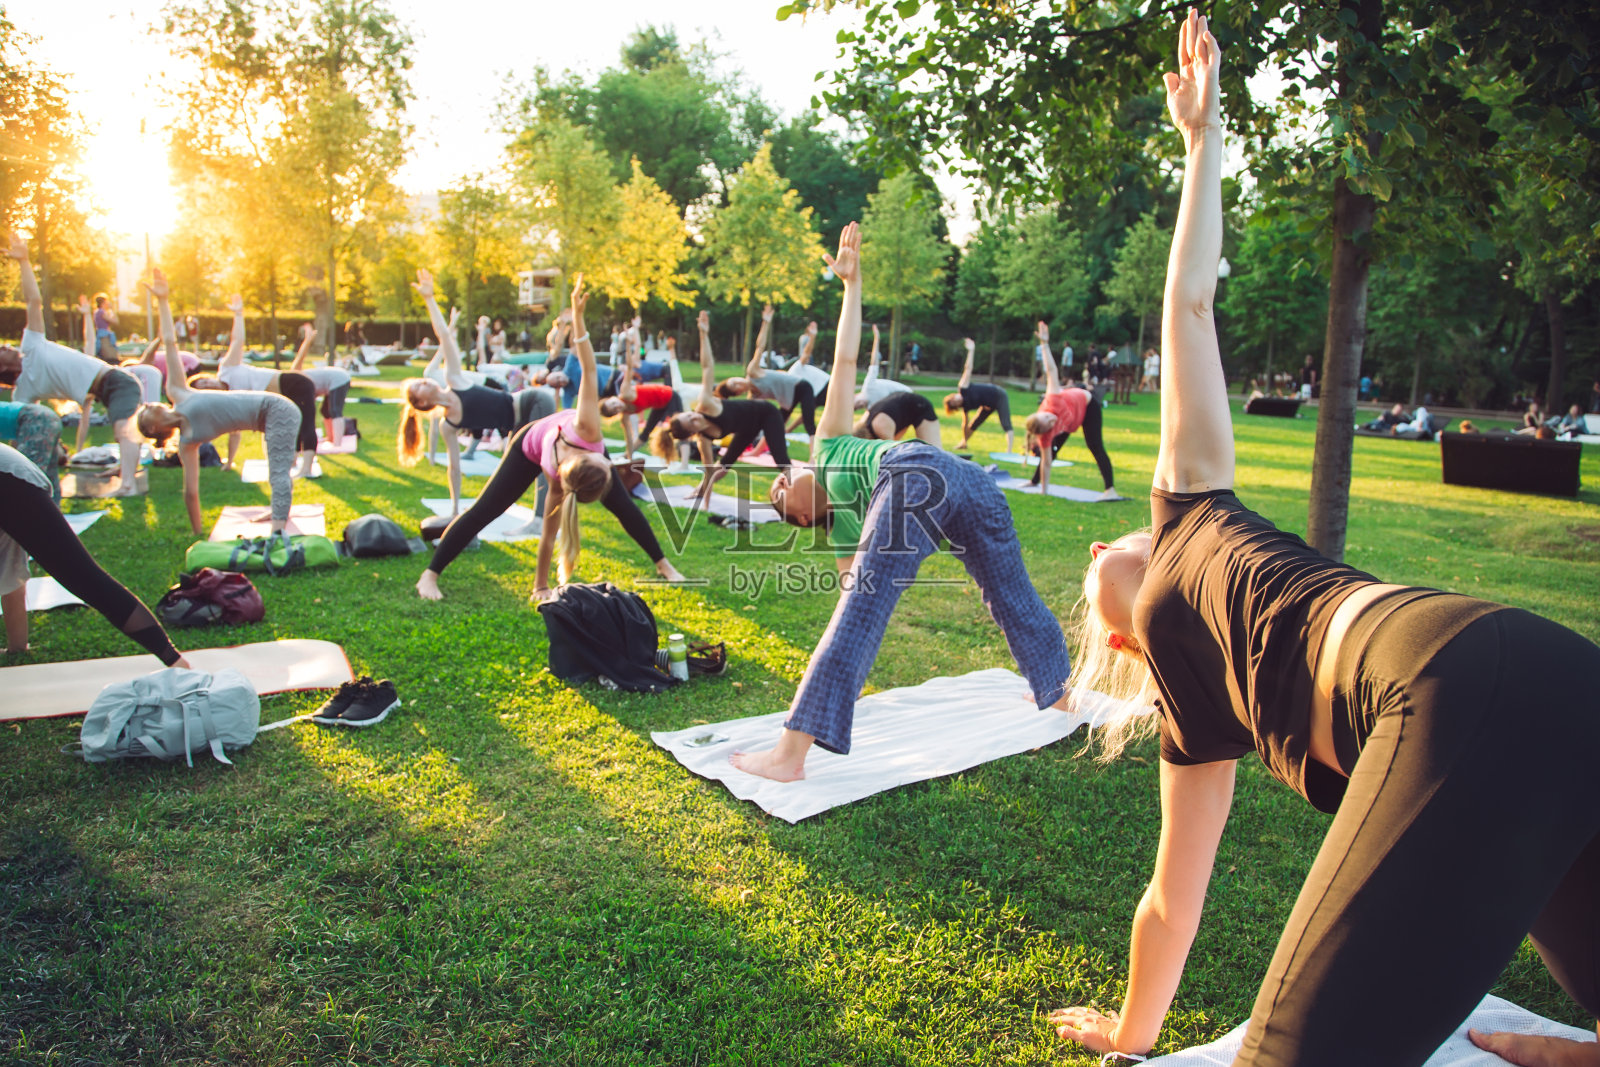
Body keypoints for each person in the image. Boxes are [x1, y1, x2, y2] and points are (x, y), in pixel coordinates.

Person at [1049, 17, 1600, 1066]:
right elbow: (1172, 897)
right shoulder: (1194, 709)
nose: (1094, 554)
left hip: (1448, 670)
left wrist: (1203, 141)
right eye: (1092, 579)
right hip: (1544, 677)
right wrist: (1130, 1034)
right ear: (1124, 640)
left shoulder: (1189, 509)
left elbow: (1190, 306)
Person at [738, 221, 1072, 782]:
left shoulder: (827, 445)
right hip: (925, 479)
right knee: (861, 613)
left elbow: (845, 362)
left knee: (1012, 595)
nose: (782, 477)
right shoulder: (847, 529)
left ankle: (1058, 693)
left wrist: (852, 286)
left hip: (961, 477)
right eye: (778, 492)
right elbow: (853, 609)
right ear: (803, 515)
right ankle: (789, 755)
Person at [415, 274, 685, 602]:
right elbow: (588, 369)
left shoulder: (574, 462)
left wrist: (541, 587)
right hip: (529, 445)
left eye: (606, 463)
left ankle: (663, 564)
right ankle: (429, 575)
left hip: (559, 448)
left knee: (624, 507)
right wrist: (540, 587)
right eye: (608, 462)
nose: (610, 461)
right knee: (486, 509)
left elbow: (587, 368)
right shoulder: (581, 441)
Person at [136, 273, 302, 539]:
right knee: (277, 467)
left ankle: (277, 532)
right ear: (152, 427)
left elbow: (170, 342)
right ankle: (277, 515)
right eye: (145, 410)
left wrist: (163, 301)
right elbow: (191, 492)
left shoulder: (177, 392)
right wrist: (197, 534)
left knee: (277, 470)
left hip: (276, 408)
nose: (148, 404)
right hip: (263, 419)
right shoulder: (187, 443)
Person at [1, 442, 189, 667]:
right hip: (14, 473)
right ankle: (17, 646)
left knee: (82, 576)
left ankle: (176, 662)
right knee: (11, 567)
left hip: (9, 480)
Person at [398, 270, 556, 517]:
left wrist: (429, 299)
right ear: (421, 402)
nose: (424, 381)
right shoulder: (448, 425)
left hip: (533, 402)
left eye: (420, 381)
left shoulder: (454, 379)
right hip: (516, 426)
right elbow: (454, 467)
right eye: (418, 386)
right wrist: (454, 509)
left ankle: (539, 519)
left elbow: (444, 336)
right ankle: (476, 518)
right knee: (508, 477)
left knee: (540, 459)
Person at [0, 235, 144, 495]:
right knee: (123, 431)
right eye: (1, 351)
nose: (7, 347)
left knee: (124, 431)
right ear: (2, 369)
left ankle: (128, 485)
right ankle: (126, 475)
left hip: (116, 380)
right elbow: (21, 430)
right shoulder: (22, 392)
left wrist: (24, 261)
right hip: (101, 391)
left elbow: (33, 302)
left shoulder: (31, 346)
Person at [652, 310, 797, 500]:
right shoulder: (703, 441)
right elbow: (711, 471)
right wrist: (703, 496)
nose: (694, 416)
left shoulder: (705, 404)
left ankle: (798, 491)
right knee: (724, 463)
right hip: (746, 429)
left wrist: (703, 333)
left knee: (781, 459)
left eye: (689, 415)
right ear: (692, 433)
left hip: (767, 414)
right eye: (691, 422)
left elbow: (707, 367)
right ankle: (698, 492)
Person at [192, 297, 319, 478]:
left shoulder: (227, 369)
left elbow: (237, 341)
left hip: (293, 383)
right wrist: (229, 462)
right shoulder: (229, 399)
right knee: (291, 426)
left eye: (205, 381)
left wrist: (238, 313)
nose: (209, 385)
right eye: (204, 388)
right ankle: (292, 463)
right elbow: (234, 432)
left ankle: (306, 469)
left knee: (306, 423)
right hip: (279, 397)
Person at [1023, 322, 1118, 499]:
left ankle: (1110, 490)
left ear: (1041, 412)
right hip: (1069, 420)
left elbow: (1051, 371)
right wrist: (1044, 492)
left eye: (1047, 417)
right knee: (1051, 451)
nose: (1051, 419)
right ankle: (1035, 482)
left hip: (1088, 406)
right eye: (1049, 423)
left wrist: (1044, 344)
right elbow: (1046, 462)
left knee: (1095, 446)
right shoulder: (1046, 434)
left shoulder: (1052, 399)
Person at [716, 304, 821, 455]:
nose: (738, 382)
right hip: (788, 399)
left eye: (734, 380)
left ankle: (813, 458)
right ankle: (757, 451)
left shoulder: (752, 372)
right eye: (735, 386)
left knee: (809, 423)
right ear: (738, 393)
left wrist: (765, 322)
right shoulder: (754, 397)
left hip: (802, 387)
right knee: (774, 423)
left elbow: (760, 347)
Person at [287, 323, 352, 450]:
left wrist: (308, 339)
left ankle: (337, 444)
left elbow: (300, 357)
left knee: (335, 411)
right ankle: (331, 438)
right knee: (325, 411)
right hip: (332, 380)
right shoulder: (300, 384)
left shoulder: (296, 376)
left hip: (339, 379)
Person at [945, 336, 1015, 453]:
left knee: (1006, 424)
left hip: (998, 395)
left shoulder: (963, 388)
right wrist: (964, 438)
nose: (956, 400)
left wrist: (971, 350)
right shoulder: (965, 406)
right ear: (957, 406)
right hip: (987, 405)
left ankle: (1009, 451)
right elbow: (965, 424)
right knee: (974, 424)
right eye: (955, 403)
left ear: (954, 395)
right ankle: (963, 443)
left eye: (954, 398)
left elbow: (968, 369)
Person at [0, 400, 62, 500]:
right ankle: (54, 506)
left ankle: (28, 506)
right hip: (48, 416)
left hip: (35, 419)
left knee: (29, 475)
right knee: (49, 474)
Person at [853, 324, 914, 410]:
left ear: (855, 396)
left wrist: (876, 339)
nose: (861, 404)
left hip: (907, 394)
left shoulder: (868, 386)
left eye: (858, 402)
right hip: (902, 407)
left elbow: (874, 363)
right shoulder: (871, 407)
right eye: (859, 407)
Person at [92, 292, 119, 362]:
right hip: (104, 336)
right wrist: (112, 309)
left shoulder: (97, 311)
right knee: (110, 357)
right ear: (103, 303)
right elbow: (115, 321)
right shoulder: (101, 312)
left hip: (101, 334)